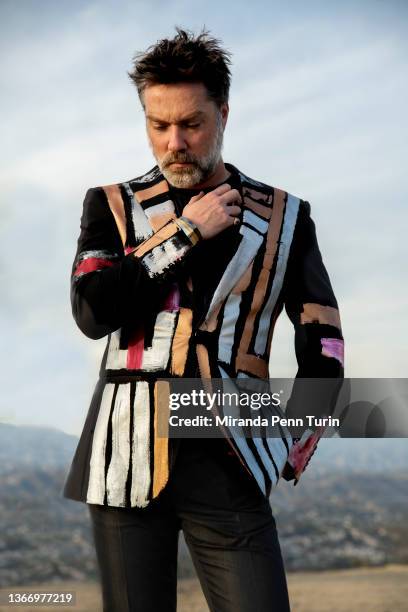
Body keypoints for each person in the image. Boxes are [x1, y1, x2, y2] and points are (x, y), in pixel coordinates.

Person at [62, 27, 344, 612]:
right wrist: (186, 233)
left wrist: (292, 443)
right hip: (125, 460)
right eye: (158, 125)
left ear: (224, 113)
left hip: (232, 459)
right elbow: (93, 312)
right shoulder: (110, 205)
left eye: (191, 123)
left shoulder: (288, 217)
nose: (174, 143)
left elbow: (326, 344)